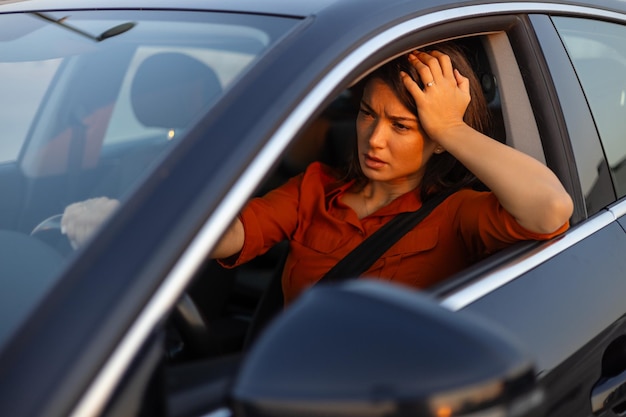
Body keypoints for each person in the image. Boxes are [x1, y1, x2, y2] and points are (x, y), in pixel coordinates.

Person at [63, 42, 573, 306]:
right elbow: (232, 232)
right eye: (368, 114)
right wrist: (138, 221)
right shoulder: (317, 189)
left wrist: (449, 125)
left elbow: (551, 208)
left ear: (437, 140)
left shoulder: (457, 214)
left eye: (402, 126)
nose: (374, 138)